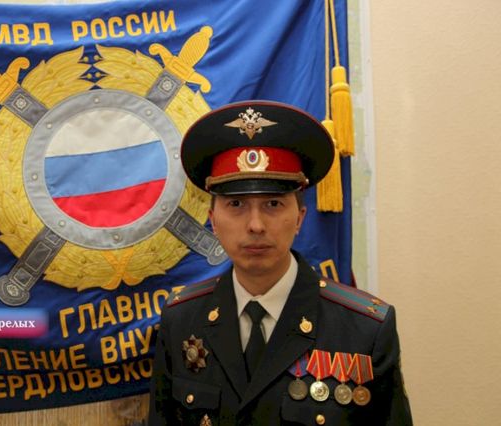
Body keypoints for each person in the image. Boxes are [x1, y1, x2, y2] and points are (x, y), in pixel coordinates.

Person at [148, 101, 412, 425]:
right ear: (213, 220)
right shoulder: (180, 320)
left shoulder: (365, 330)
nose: (256, 225)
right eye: (236, 204)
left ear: (299, 218)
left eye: (273, 204)